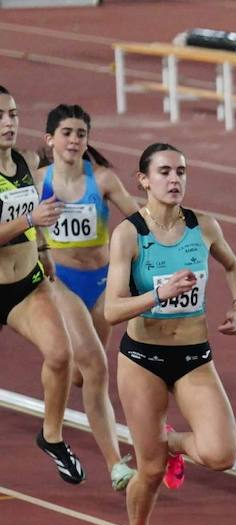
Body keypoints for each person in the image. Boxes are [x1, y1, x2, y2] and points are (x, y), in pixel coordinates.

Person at [104, 143, 236, 525]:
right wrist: (157, 295)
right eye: (164, 172)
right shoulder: (129, 234)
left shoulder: (203, 227)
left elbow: (233, 265)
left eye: (181, 171)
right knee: (148, 470)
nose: (175, 180)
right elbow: (111, 310)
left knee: (222, 454)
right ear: (143, 180)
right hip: (143, 358)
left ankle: (173, 444)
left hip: (193, 355)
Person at [39, 104, 140, 490]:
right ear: (50, 140)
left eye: (81, 134)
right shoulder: (37, 181)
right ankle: (117, 466)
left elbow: (138, 222)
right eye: (67, 133)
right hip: (59, 282)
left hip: (101, 284)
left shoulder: (103, 180)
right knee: (98, 369)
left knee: (82, 377)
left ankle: (57, 369)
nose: (75, 140)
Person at [0, 85, 84, 485]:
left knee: (61, 354)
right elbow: (29, 217)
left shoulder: (27, 160)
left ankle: (51, 435)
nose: (8, 123)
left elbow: (38, 212)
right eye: (0, 116)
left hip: (24, 285)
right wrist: (30, 222)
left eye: (13, 114)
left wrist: (46, 249)